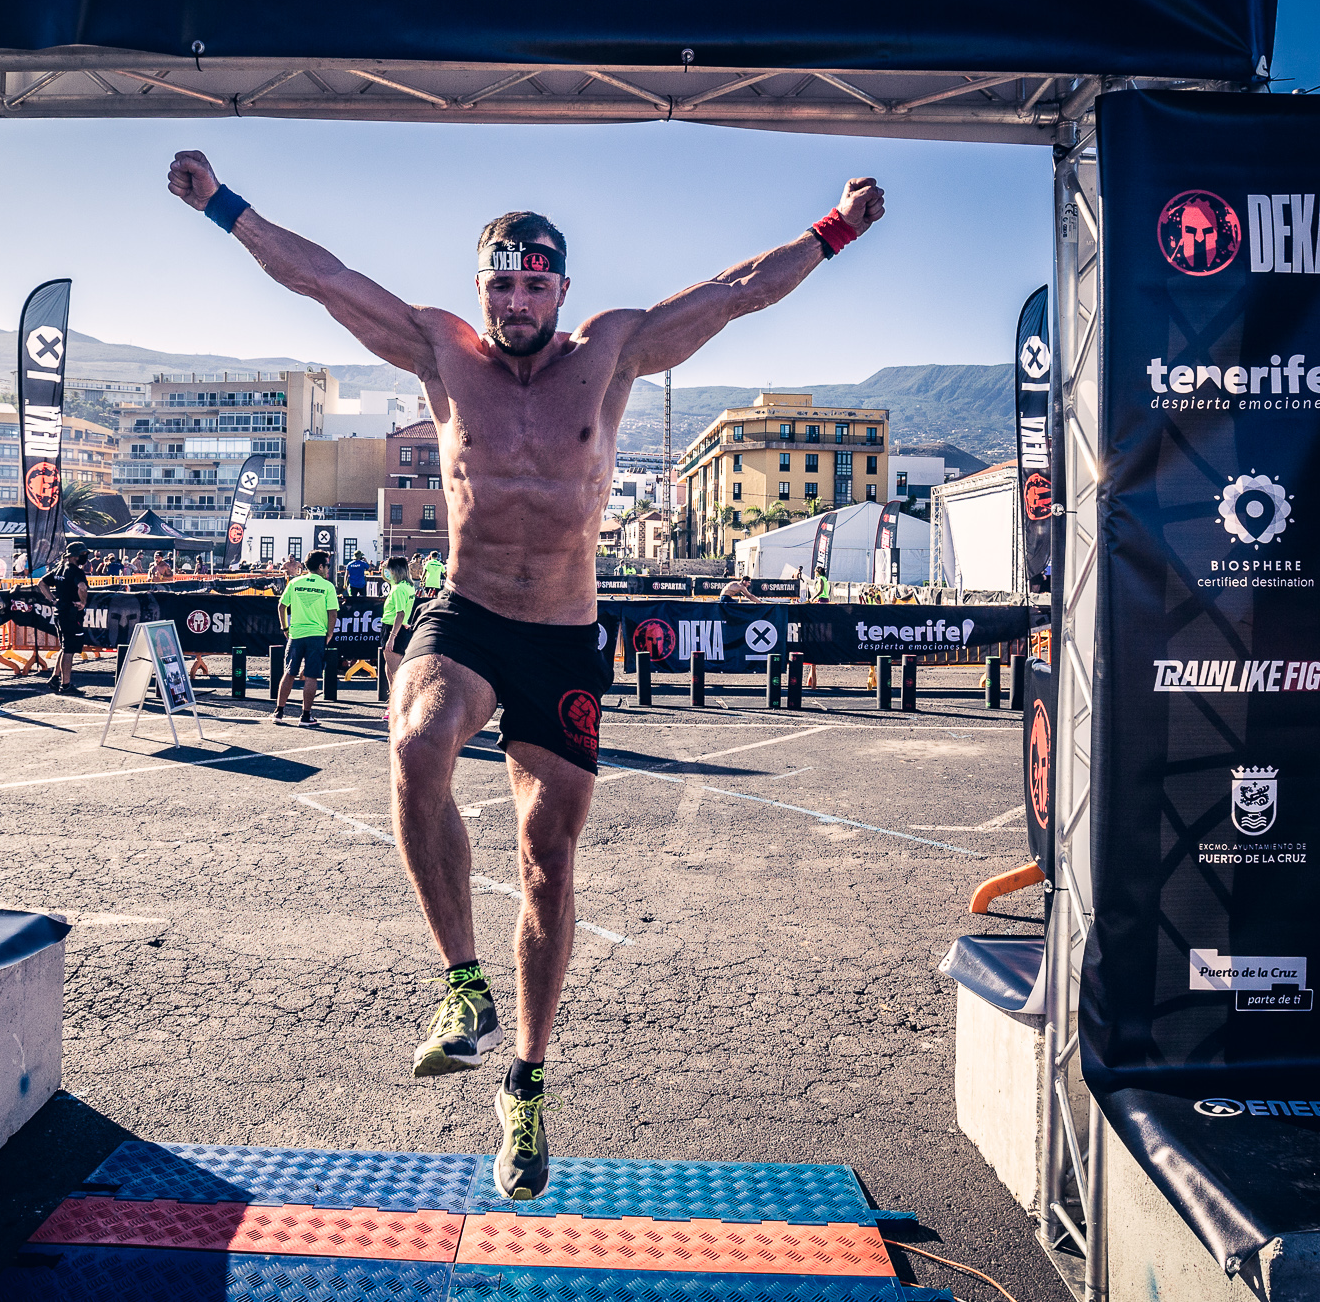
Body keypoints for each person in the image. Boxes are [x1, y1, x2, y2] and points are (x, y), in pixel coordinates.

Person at [171, 147, 884, 1198]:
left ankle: (526, 1080)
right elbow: (320, 276)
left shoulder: (613, 350)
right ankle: (460, 984)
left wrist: (833, 230)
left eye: (531, 283)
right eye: (497, 284)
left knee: (547, 858)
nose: (513, 301)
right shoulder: (438, 351)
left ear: (560, 287)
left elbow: (739, 291)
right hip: (464, 618)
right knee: (412, 742)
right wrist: (221, 206)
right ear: (480, 291)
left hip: (559, 633)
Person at [274, 549, 340, 726]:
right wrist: (329, 633)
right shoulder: (327, 586)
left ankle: (278, 712)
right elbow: (332, 613)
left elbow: (281, 606)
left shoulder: (295, 582)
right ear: (320, 566)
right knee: (311, 676)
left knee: (289, 673)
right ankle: (305, 716)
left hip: (296, 634)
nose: (327, 569)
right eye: (327, 566)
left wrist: (284, 627)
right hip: (316, 635)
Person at [48, 542, 91, 692]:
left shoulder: (60, 568)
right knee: (69, 650)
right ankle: (65, 685)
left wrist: (53, 600)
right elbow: (82, 587)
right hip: (71, 615)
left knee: (65, 646)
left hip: (60, 612)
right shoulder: (76, 572)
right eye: (83, 554)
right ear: (74, 556)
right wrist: (83, 602)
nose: (85, 557)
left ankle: (55, 677)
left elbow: (42, 583)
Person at [379, 556, 416, 718]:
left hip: (394, 629)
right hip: (399, 629)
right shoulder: (406, 586)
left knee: (396, 674)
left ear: (395, 570)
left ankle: (401, 708)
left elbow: (400, 613)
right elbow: (386, 578)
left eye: (389, 569)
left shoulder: (399, 589)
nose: (387, 572)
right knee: (391, 671)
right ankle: (394, 704)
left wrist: (392, 637)